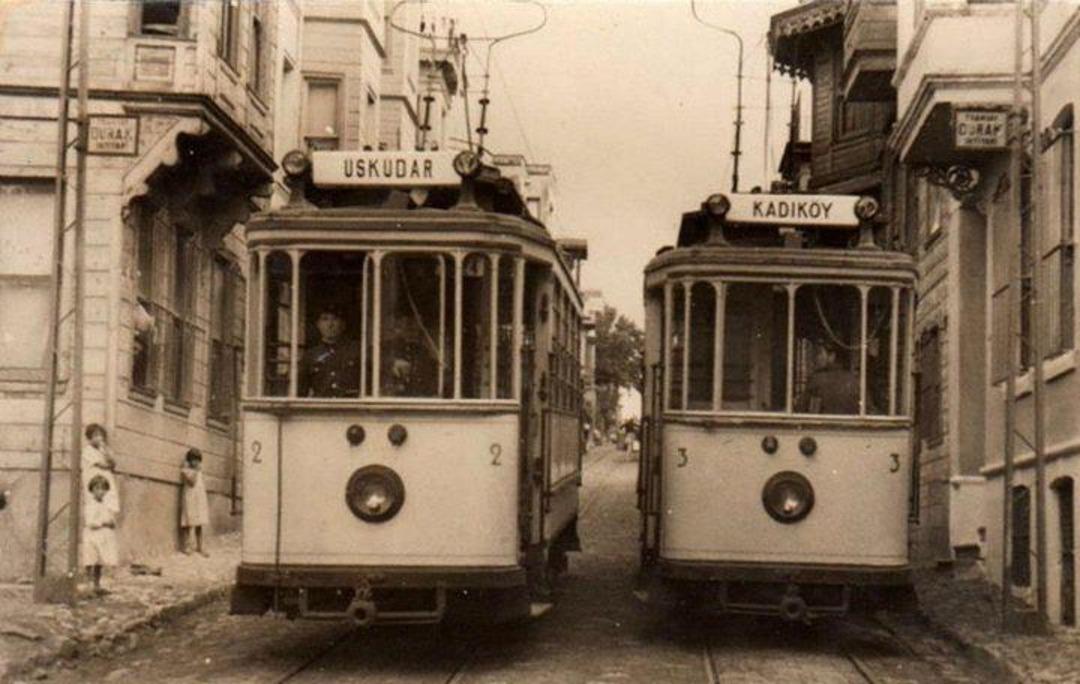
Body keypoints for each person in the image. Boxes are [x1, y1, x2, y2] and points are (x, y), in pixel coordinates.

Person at [298, 304, 361, 397]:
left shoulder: (357, 350)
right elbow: (300, 391)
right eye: (325, 319)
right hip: (321, 408)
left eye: (335, 319)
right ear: (318, 325)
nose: (330, 324)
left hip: (350, 407)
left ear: (343, 324)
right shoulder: (310, 355)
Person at [796, 341, 860, 415]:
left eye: (820, 353)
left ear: (832, 356)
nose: (817, 358)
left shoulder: (817, 380)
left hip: (823, 425)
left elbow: (801, 409)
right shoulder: (853, 380)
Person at [83, 475, 118, 595]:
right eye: (97, 489)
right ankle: (88, 586)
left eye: (103, 489)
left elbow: (110, 518)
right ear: (92, 490)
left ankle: (97, 585)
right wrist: (103, 523)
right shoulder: (90, 504)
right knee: (90, 560)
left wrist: (112, 522)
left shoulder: (105, 504)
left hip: (102, 537)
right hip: (92, 536)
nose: (100, 492)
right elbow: (90, 522)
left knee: (99, 562)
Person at [83, 423, 119, 516]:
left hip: (106, 481)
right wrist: (109, 465)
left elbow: (113, 464)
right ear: (89, 438)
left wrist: (106, 451)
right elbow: (103, 465)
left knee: (109, 505)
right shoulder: (87, 451)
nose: (99, 438)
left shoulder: (103, 450)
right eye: (95, 435)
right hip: (95, 481)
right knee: (95, 506)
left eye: (101, 435)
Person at [180, 448, 210, 556]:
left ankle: (200, 546)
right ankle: (187, 546)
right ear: (189, 460)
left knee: (199, 522)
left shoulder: (199, 471)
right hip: (190, 498)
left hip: (199, 498)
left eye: (197, 460)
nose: (195, 462)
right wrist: (196, 471)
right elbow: (192, 482)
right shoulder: (186, 470)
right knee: (189, 522)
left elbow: (201, 485)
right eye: (193, 460)